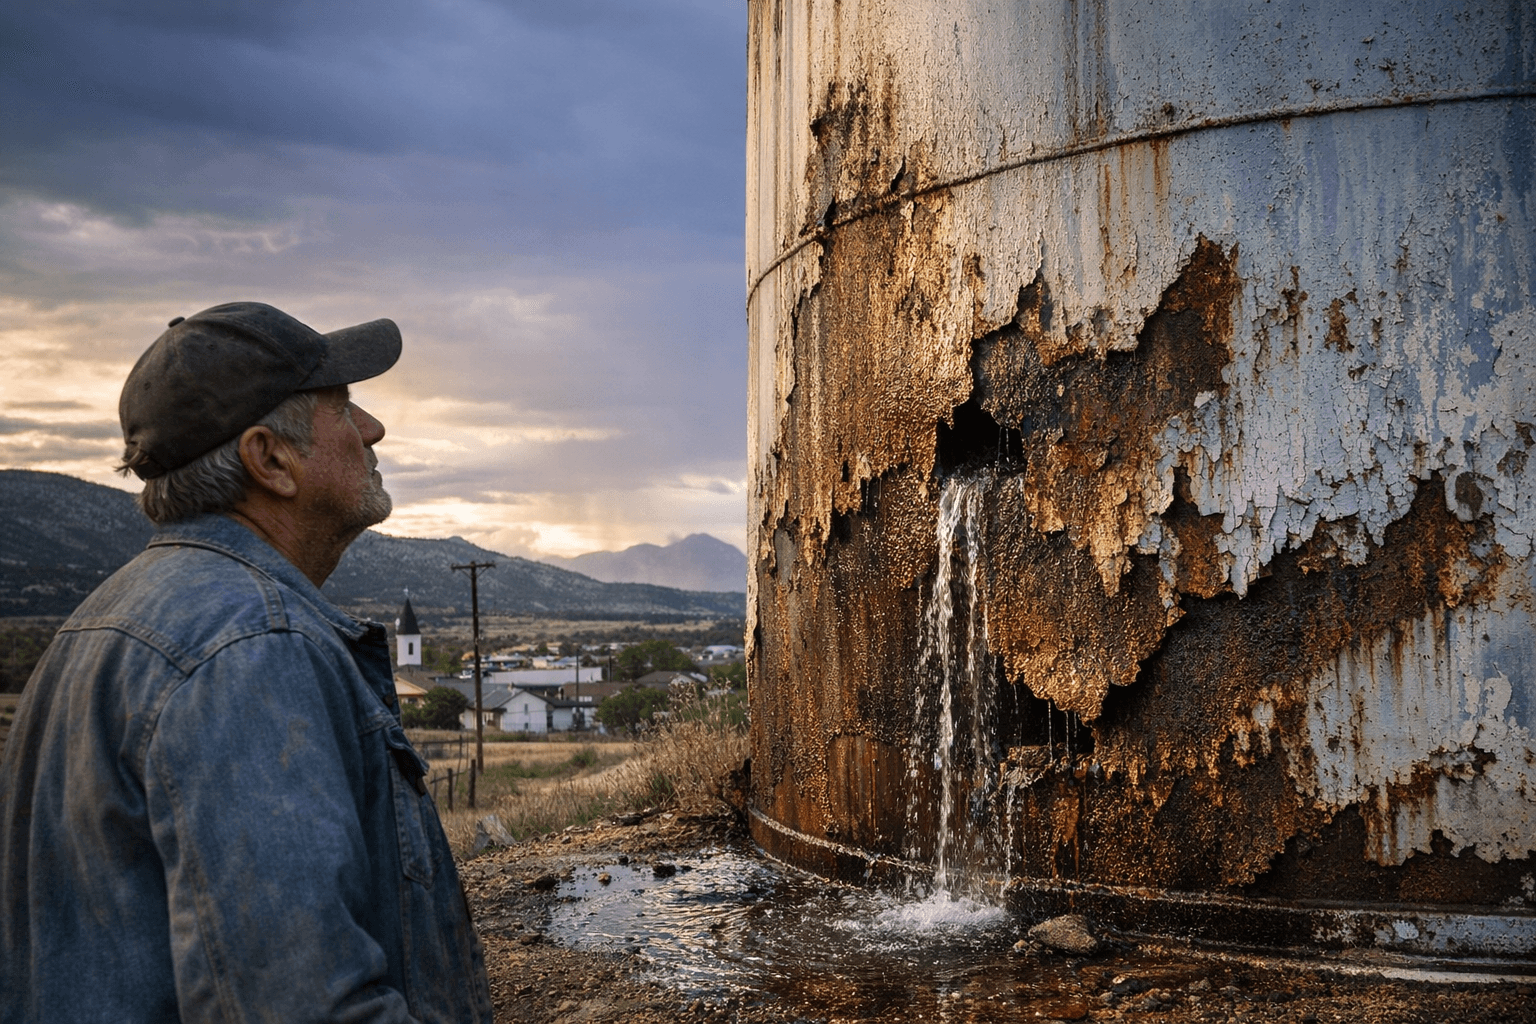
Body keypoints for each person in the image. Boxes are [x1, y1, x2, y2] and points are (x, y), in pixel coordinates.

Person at [0, 302, 493, 1023]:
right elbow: (301, 1007)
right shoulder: (251, 649)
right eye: (344, 407)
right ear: (269, 459)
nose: (372, 429)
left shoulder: (104, 621)